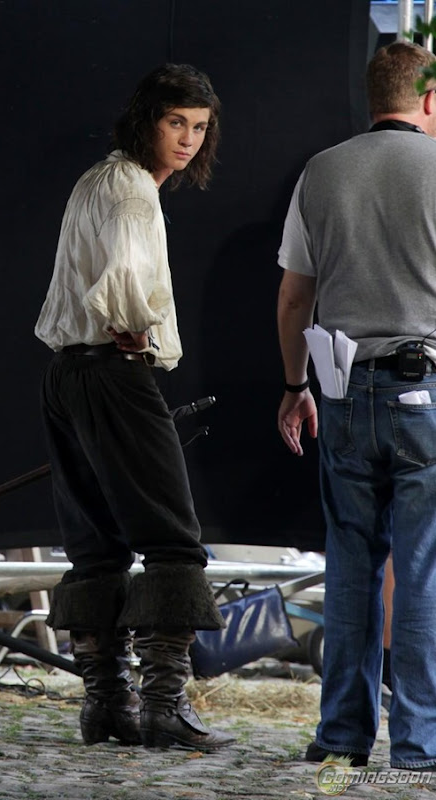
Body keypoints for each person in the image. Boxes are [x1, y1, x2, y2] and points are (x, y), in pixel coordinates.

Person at [35, 64, 235, 751]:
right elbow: (123, 275)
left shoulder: (100, 178)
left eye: (199, 126)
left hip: (67, 375)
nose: (188, 138)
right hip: (113, 373)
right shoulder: (130, 190)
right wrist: (135, 328)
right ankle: (162, 708)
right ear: (148, 119)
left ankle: (106, 708)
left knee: (97, 546)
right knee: (173, 541)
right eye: (176, 122)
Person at [276, 41, 436, 770]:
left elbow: (294, 297)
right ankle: (419, 745)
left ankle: (341, 738)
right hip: (424, 391)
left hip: (340, 391)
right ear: (427, 97)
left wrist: (294, 387)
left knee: (349, 564)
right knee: (423, 568)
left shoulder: (321, 171)